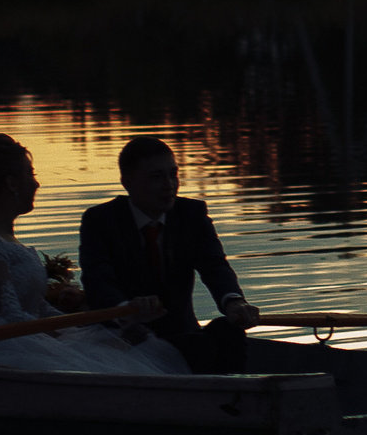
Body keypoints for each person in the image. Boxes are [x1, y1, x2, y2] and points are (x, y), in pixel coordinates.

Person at [0, 133, 187, 376]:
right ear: (11, 184)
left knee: (122, 348)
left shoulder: (3, 238)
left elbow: (38, 309)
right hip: (4, 346)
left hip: (28, 335)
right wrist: (71, 338)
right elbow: (10, 319)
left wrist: (84, 324)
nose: (37, 183)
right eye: (31, 174)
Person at [78, 136, 260, 374]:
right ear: (128, 182)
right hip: (127, 340)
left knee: (228, 330)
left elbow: (214, 266)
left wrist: (234, 302)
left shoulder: (192, 214)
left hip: (184, 333)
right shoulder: (100, 220)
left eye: (173, 174)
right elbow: (97, 280)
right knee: (199, 346)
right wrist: (127, 308)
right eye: (157, 177)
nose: (169, 185)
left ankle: (235, 397)